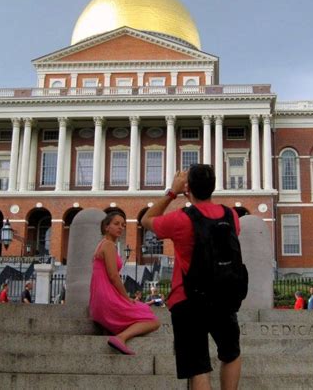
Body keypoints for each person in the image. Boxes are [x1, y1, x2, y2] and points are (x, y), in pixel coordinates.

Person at [141, 164, 242, 390]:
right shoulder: (231, 215)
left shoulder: (181, 219)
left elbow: (147, 220)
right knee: (231, 354)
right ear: (213, 187)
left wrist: (171, 192)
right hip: (223, 297)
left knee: (198, 368)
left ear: (188, 188)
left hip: (188, 299)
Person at [89, 208, 160, 355]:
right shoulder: (108, 245)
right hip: (107, 299)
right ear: (106, 227)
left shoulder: (102, 244)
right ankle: (121, 338)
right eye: (116, 223)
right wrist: (126, 299)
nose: (121, 227)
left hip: (99, 300)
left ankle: (112, 329)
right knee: (154, 321)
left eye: (123, 224)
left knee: (143, 308)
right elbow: (114, 277)